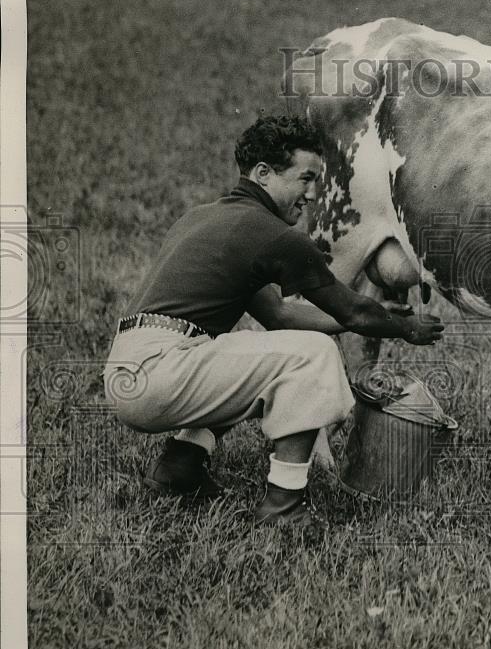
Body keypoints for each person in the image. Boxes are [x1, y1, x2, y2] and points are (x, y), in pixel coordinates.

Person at [103, 115, 443, 525]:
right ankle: (284, 504)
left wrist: (367, 317)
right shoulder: (273, 235)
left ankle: (179, 466)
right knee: (311, 356)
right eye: (305, 179)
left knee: (252, 351)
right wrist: (406, 328)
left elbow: (278, 313)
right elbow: (351, 309)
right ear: (263, 173)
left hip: (134, 366)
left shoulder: (203, 216)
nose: (314, 194)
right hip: (162, 371)